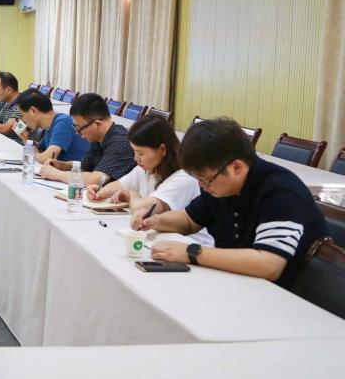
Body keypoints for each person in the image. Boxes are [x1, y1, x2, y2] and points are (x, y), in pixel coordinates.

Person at [135, 118, 328, 288]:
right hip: (237, 282)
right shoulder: (221, 186)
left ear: (236, 167)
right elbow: (188, 220)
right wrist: (157, 220)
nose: (202, 186)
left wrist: (192, 252)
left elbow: (269, 264)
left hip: (281, 296)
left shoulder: (280, 191)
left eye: (206, 179)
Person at [84, 115, 212, 245]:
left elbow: (142, 210)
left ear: (162, 149)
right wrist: (99, 191)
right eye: (134, 152)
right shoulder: (146, 168)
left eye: (140, 153)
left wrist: (131, 195)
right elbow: (117, 186)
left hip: (189, 244)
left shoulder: (183, 177)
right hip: (160, 239)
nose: (136, 158)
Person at [39, 93, 136, 185]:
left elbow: (96, 179)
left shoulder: (120, 142)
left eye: (79, 128)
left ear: (97, 124)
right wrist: (61, 165)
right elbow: (85, 166)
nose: (77, 133)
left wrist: (56, 174)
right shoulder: (99, 137)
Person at [15, 89, 89, 163]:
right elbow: (41, 150)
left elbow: (46, 158)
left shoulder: (63, 122)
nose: (22, 119)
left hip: (78, 170)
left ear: (33, 111)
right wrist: (26, 139)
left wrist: (32, 152)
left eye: (22, 115)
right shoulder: (50, 125)